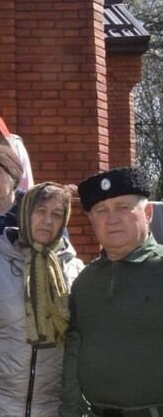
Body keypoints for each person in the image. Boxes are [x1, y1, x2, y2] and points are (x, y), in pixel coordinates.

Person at [0, 182, 83, 417]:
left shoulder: (75, 270)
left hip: (51, 405)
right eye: (40, 211)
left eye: (56, 214)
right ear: (25, 212)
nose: (48, 221)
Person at [60, 167, 163, 416]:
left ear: (147, 212)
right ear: (92, 221)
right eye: (101, 211)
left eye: (123, 207)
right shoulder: (86, 280)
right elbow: (74, 350)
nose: (112, 218)